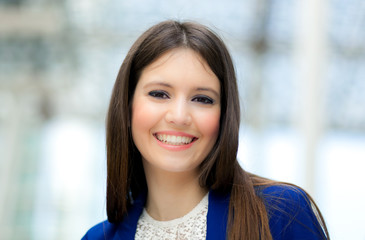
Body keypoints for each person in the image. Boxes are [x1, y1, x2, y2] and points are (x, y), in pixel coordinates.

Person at [82, 20, 330, 240]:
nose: (179, 116)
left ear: (224, 116)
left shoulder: (280, 214)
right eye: (159, 94)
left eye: (202, 99)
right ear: (127, 107)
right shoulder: (97, 238)